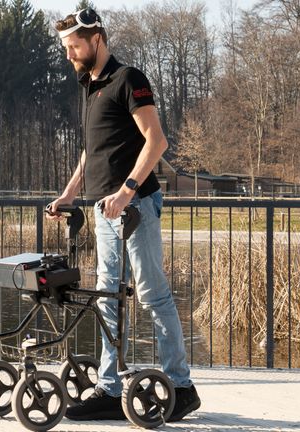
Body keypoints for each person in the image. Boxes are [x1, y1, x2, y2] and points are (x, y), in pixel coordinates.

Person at [47, 8, 201, 422]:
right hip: (104, 211)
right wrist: (68, 194)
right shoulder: (89, 86)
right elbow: (93, 151)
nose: (69, 55)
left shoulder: (128, 79)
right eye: (66, 48)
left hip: (136, 208)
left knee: (152, 295)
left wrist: (128, 190)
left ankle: (182, 388)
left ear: (96, 38)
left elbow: (157, 140)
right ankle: (111, 389)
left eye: (74, 46)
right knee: (107, 300)